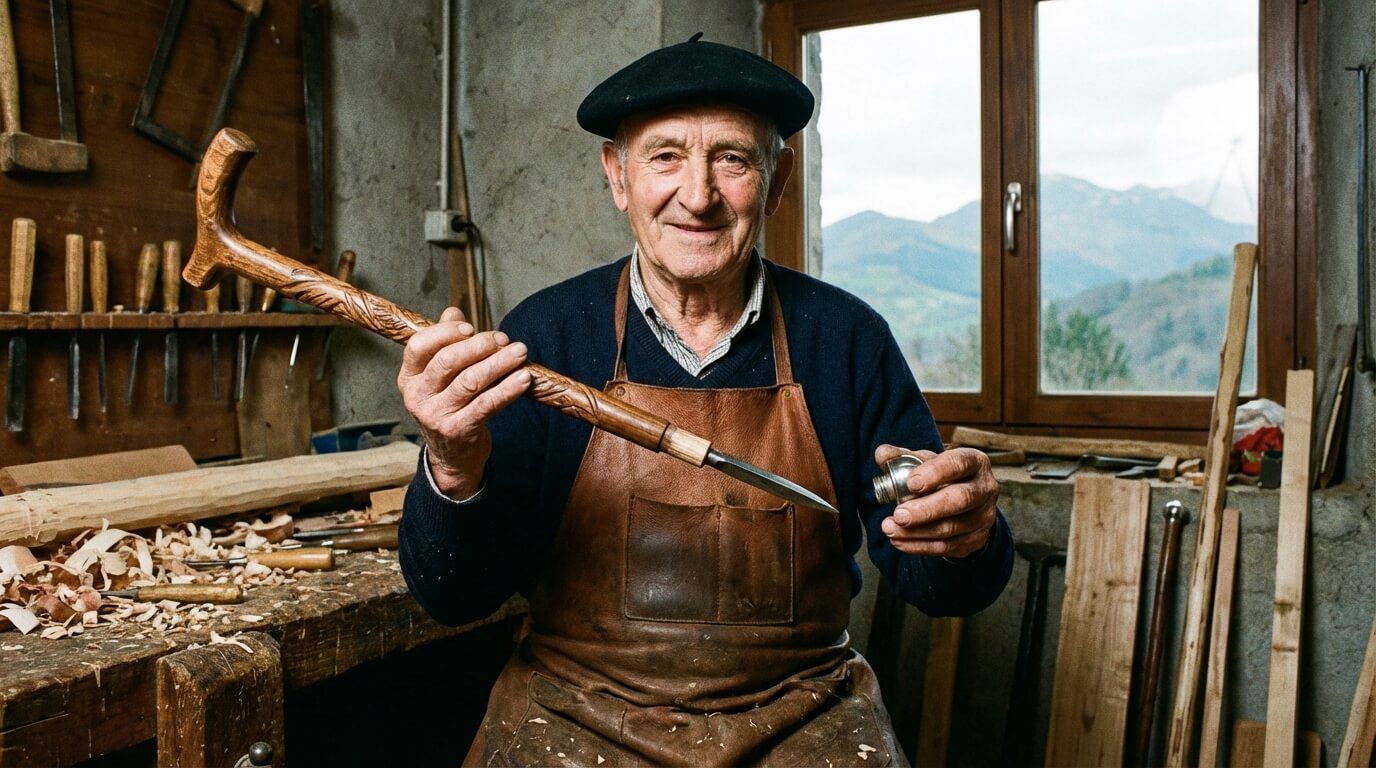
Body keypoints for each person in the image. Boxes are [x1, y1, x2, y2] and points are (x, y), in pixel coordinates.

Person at [397, 33, 1014, 767]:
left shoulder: (846, 339)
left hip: (802, 715)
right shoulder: (545, 338)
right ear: (617, 176)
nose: (698, 195)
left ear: (776, 181)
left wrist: (965, 534)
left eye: (732, 158)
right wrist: (453, 466)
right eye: (664, 156)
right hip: (576, 716)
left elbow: (941, 585)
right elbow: (453, 598)